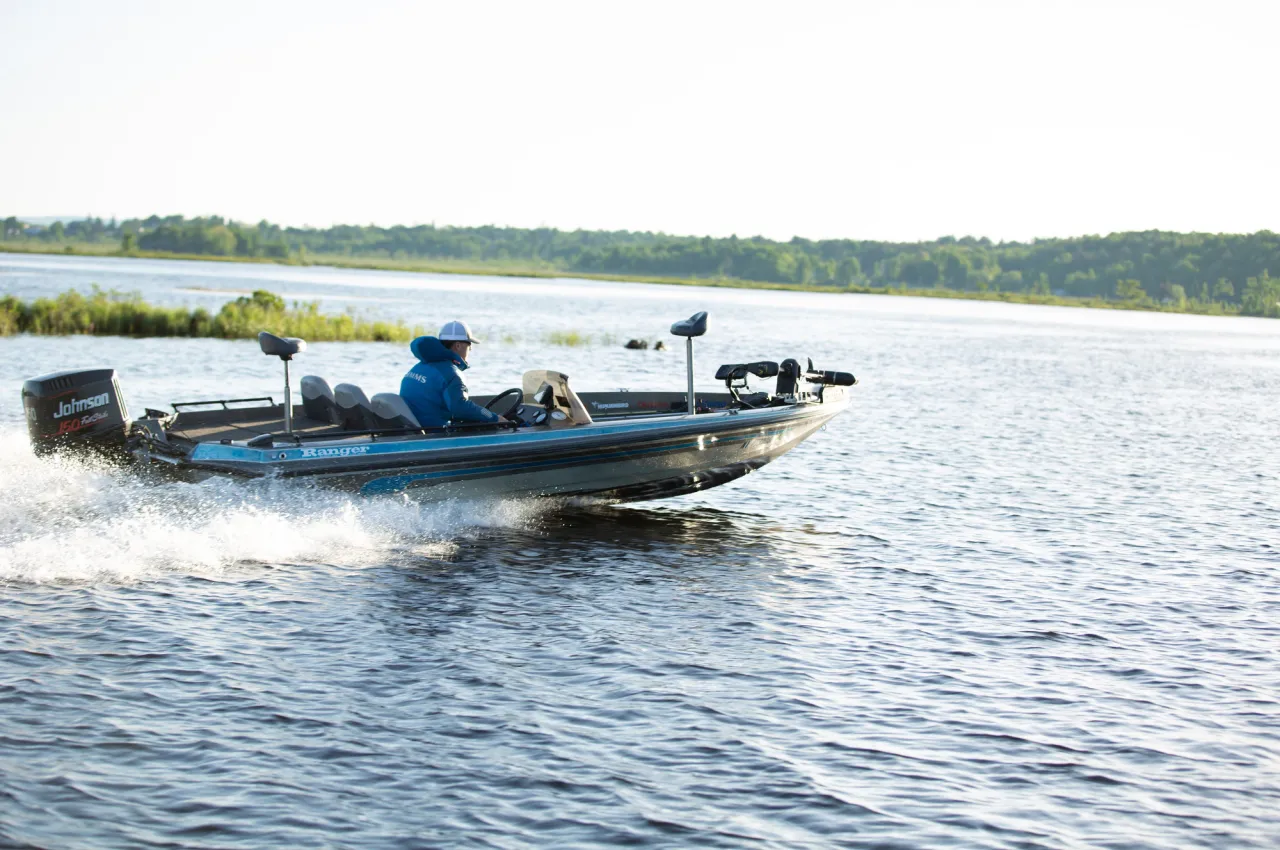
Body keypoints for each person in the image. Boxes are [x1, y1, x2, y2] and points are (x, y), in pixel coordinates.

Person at [400, 320, 501, 428]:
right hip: (433, 433)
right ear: (458, 345)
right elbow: (461, 408)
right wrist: (494, 418)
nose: (470, 349)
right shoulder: (452, 373)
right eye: (469, 344)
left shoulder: (419, 367)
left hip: (411, 428)